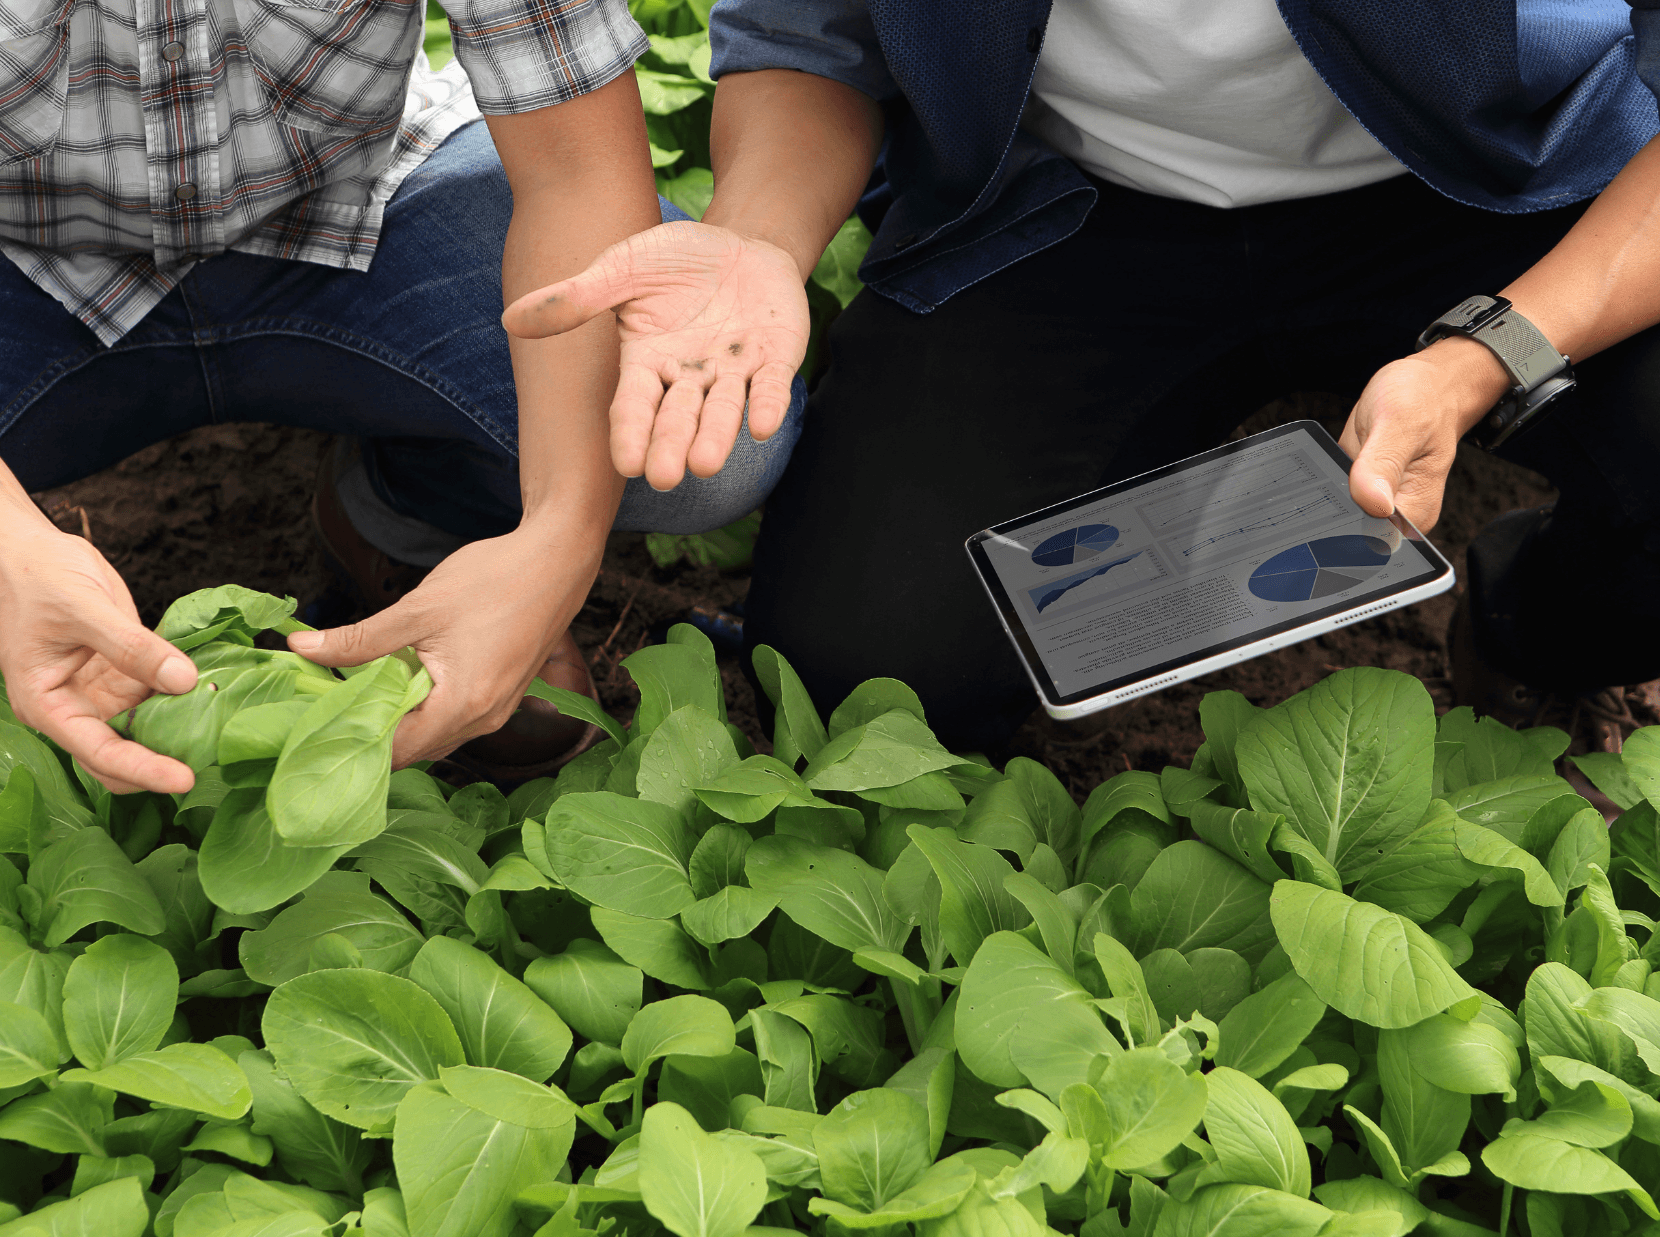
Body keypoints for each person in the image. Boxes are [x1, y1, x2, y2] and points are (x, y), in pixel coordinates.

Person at [513, 0, 1660, 753]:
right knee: (871, 678)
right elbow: (816, 38)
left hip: (1486, 184)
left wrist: (1487, 355)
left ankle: (1527, 619)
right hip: (1072, 208)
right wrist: (759, 239)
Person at [0, 0, 803, 792]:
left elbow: (573, 170)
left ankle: (409, 519)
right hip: (28, 268)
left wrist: (561, 531)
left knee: (701, 429)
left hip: (354, 202)